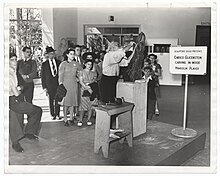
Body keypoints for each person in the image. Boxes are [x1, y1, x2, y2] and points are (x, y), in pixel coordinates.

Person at [9, 53, 42, 153]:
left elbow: (22, 85)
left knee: (17, 119)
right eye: (12, 60)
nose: (15, 62)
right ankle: (22, 138)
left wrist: (20, 88)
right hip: (13, 99)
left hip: (17, 99)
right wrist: (19, 89)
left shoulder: (15, 72)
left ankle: (25, 135)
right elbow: (16, 92)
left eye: (15, 59)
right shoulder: (9, 74)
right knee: (36, 111)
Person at [58, 48, 82, 126]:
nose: (72, 55)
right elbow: (60, 75)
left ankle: (71, 118)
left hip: (74, 84)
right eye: (71, 54)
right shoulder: (63, 64)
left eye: (73, 54)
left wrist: (78, 78)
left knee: (72, 102)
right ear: (67, 55)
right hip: (65, 84)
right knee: (66, 103)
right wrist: (60, 84)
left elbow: (81, 72)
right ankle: (65, 119)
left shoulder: (76, 64)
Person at [41, 46, 61, 120]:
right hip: (49, 85)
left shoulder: (59, 62)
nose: (52, 55)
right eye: (50, 54)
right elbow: (43, 76)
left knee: (58, 99)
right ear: (48, 55)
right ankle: (52, 114)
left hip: (57, 84)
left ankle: (57, 113)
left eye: (53, 54)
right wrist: (44, 87)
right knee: (51, 99)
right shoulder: (44, 64)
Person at [77, 59, 98, 127]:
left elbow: (94, 81)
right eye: (88, 64)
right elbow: (81, 81)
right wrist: (87, 87)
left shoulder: (93, 73)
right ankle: (80, 120)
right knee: (83, 106)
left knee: (90, 105)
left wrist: (91, 87)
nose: (89, 66)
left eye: (91, 64)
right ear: (85, 64)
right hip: (84, 89)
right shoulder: (81, 72)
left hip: (92, 89)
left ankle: (89, 119)